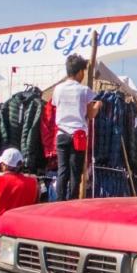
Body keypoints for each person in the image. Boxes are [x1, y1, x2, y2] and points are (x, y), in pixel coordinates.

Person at [52, 54, 100, 202]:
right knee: (75, 172)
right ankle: (72, 201)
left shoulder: (57, 89)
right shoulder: (84, 90)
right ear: (80, 71)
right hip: (77, 135)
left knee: (62, 170)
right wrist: (98, 105)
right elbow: (91, 114)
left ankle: (59, 200)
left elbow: (55, 105)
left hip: (61, 133)